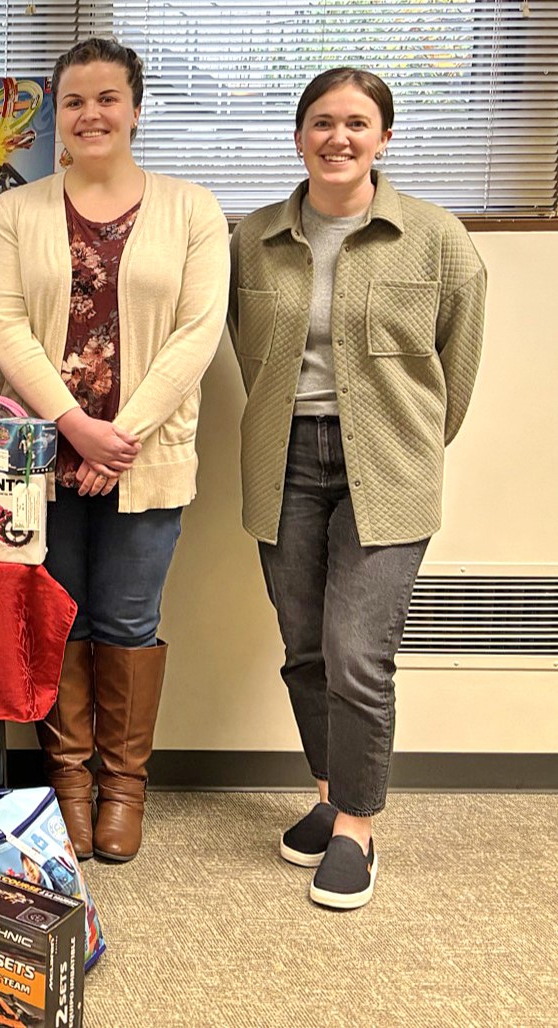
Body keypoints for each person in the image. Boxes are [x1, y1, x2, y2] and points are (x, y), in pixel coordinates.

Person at [229, 68, 485, 910]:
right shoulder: (254, 238)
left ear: (383, 137)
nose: (339, 138)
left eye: (357, 123)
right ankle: (332, 793)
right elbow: (248, 350)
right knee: (305, 648)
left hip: (391, 466)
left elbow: (457, 366)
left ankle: (359, 829)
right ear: (299, 135)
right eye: (322, 122)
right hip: (285, 462)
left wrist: (409, 445)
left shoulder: (438, 239)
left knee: (357, 654)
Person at [0, 37, 229, 863]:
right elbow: (5, 326)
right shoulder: (15, 211)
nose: (91, 114)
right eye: (75, 101)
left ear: (135, 108)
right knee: (60, 617)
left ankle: (124, 788)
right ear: (59, 113)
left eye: (107, 98)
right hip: (41, 457)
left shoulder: (192, 210)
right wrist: (72, 426)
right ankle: (68, 787)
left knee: (128, 620)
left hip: (147, 454)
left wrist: (120, 438)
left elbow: (198, 333)